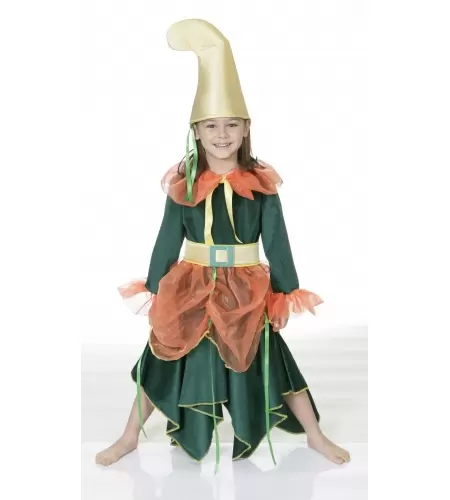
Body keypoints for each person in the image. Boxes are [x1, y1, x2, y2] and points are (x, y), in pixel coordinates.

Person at [95, 19, 350, 471]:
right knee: (165, 354)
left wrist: (284, 291)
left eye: (231, 125)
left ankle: (315, 435)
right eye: (211, 125)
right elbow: (168, 235)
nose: (222, 134)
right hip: (192, 284)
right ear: (196, 130)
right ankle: (129, 436)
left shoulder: (260, 183)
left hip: (245, 288)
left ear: (246, 128)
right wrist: (155, 286)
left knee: (271, 357)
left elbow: (277, 238)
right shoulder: (185, 182)